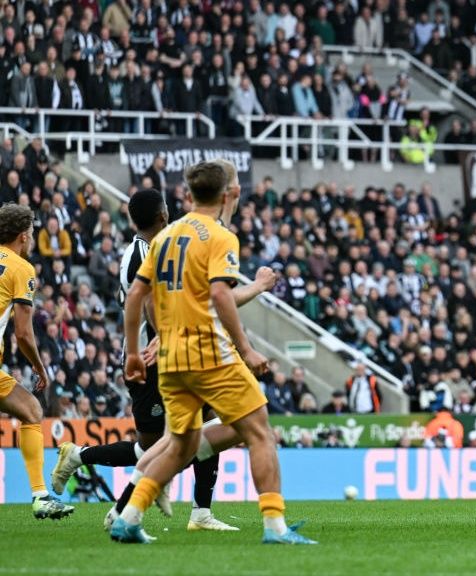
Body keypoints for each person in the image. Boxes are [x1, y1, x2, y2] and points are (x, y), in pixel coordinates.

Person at [51, 184, 277, 532]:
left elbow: (211, 236)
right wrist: (161, 338)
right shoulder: (148, 252)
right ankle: (99, 477)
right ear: (163, 215)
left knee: (199, 428)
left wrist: (226, 204)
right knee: (163, 446)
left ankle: (199, 511)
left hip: (171, 352)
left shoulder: (161, 244)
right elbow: (153, 302)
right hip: (154, 359)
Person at [112, 161, 315, 545]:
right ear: (226, 196)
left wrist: (135, 353)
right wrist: (248, 350)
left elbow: (137, 295)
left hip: (171, 359)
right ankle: (275, 527)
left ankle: (129, 517)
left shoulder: (165, 237)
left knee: (181, 445)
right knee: (260, 433)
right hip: (207, 351)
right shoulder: (221, 238)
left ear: (188, 196)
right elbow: (220, 294)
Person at [0, 204, 74, 519]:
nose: (31, 239)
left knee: (30, 409)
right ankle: (40, 497)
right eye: (30, 233)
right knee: (32, 410)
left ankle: (41, 496)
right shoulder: (21, 268)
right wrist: (40, 367)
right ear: (22, 236)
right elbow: (23, 334)